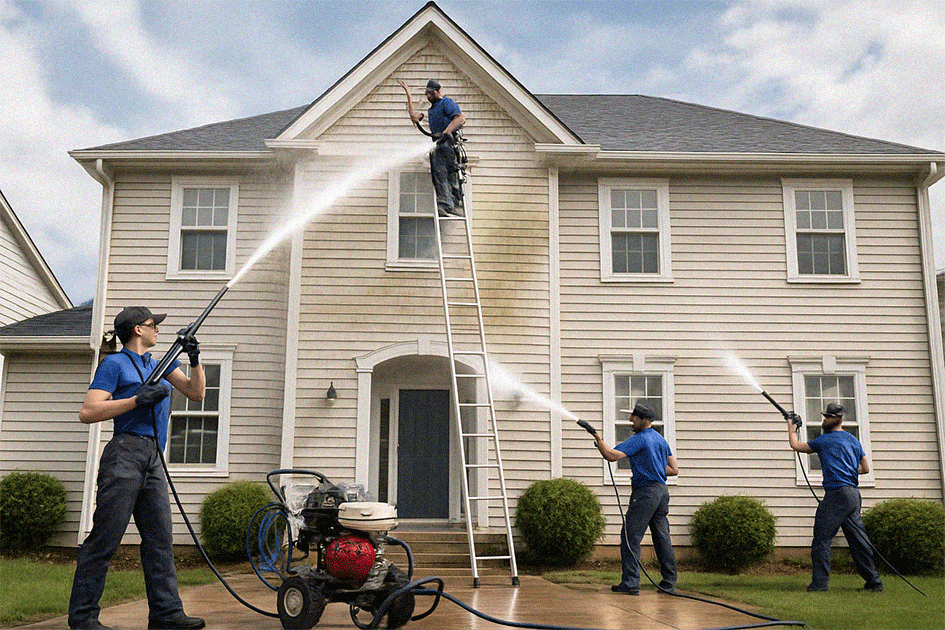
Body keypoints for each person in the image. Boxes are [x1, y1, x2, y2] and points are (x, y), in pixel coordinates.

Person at [69, 307, 207, 630]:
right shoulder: (114, 364)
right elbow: (88, 412)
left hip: (154, 457)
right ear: (136, 330)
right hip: (124, 453)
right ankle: (83, 617)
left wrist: (195, 359)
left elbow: (196, 392)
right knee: (106, 537)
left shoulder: (160, 365)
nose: (157, 329)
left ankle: (166, 614)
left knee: (160, 538)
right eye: (152, 325)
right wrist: (135, 400)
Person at [787, 403, 883, 593]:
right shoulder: (853, 440)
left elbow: (796, 445)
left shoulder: (825, 440)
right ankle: (874, 582)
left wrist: (791, 428)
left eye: (826, 417)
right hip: (853, 495)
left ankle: (819, 584)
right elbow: (865, 468)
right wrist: (847, 470)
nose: (824, 420)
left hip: (837, 495)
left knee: (821, 539)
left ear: (835, 419)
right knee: (858, 541)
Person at [587, 402, 678, 595]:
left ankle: (630, 583)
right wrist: (654, 469)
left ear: (644, 420)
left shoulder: (640, 438)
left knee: (630, 536)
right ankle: (669, 583)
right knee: (662, 538)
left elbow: (611, 455)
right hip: (662, 492)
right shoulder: (660, 440)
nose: (630, 420)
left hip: (645, 492)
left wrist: (598, 439)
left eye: (634, 417)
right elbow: (674, 469)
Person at [397, 78, 466, 217]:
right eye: (427, 94)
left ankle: (450, 204)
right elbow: (414, 118)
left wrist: (445, 133)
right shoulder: (432, 110)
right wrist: (409, 95)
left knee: (447, 174)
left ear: (438, 91)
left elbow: (460, 119)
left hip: (447, 143)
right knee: (439, 175)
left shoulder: (446, 103)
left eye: (431, 94)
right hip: (437, 144)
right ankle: (447, 204)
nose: (429, 97)